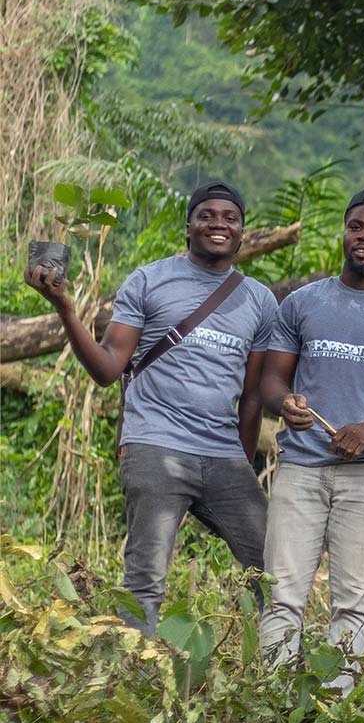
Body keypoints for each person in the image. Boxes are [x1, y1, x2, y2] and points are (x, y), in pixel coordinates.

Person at [24, 181, 278, 636]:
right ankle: (137, 679)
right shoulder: (149, 280)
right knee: (145, 580)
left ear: (242, 232)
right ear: (188, 227)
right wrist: (64, 307)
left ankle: (281, 671)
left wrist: (240, 461)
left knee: (273, 568)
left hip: (222, 454)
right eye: (207, 215)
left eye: (230, 218)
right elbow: (106, 369)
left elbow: (253, 395)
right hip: (155, 445)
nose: (218, 223)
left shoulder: (259, 300)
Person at [258, 185, 364, 693]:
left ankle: (336, 703)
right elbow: (271, 381)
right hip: (300, 469)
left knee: (354, 597)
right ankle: (275, 699)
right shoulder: (304, 302)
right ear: (344, 233)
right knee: (283, 591)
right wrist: (286, 403)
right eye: (357, 226)